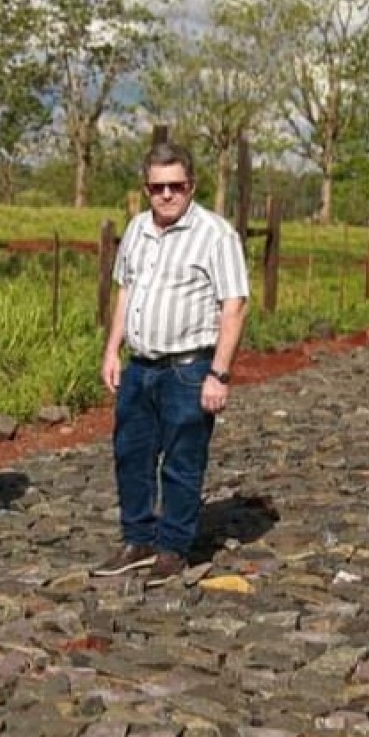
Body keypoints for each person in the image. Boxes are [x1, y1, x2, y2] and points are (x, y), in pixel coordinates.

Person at [95, 140, 251, 584]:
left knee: (183, 460)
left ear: (192, 185)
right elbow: (125, 290)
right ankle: (137, 539)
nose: (166, 195)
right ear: (146, 188)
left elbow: (234, 305)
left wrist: (219, 373)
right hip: (140, 365)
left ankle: (173, 548)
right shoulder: (138, 230)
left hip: (189, 367)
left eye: (176, 186)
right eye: (157, 187)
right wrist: (112, 349)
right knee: (131, 454)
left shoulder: (216, 234)